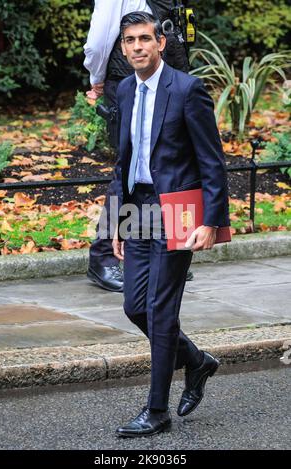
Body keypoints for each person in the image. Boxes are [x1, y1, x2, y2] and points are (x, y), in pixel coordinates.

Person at [112, 12, 230, 438]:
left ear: (160, 43)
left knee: (161, 313)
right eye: (130, 41)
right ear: (123, 48)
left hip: (178, 211)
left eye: (145, 38)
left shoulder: (186, 89)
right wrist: (116, 220)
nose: (138, 46)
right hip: (137, 210)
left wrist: (211, 221)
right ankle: (196, 361)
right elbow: (122, 162)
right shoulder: (124, 90)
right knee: (134, 307)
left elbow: (211, 160)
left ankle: (156, 411)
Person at [83, 0, 194, 292]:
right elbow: (97, 42)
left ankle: (165, 251)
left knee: (166, 158)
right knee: (129, 168)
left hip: (166, 77)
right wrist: (97, 80)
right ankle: (104, 255)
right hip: (127, 80)